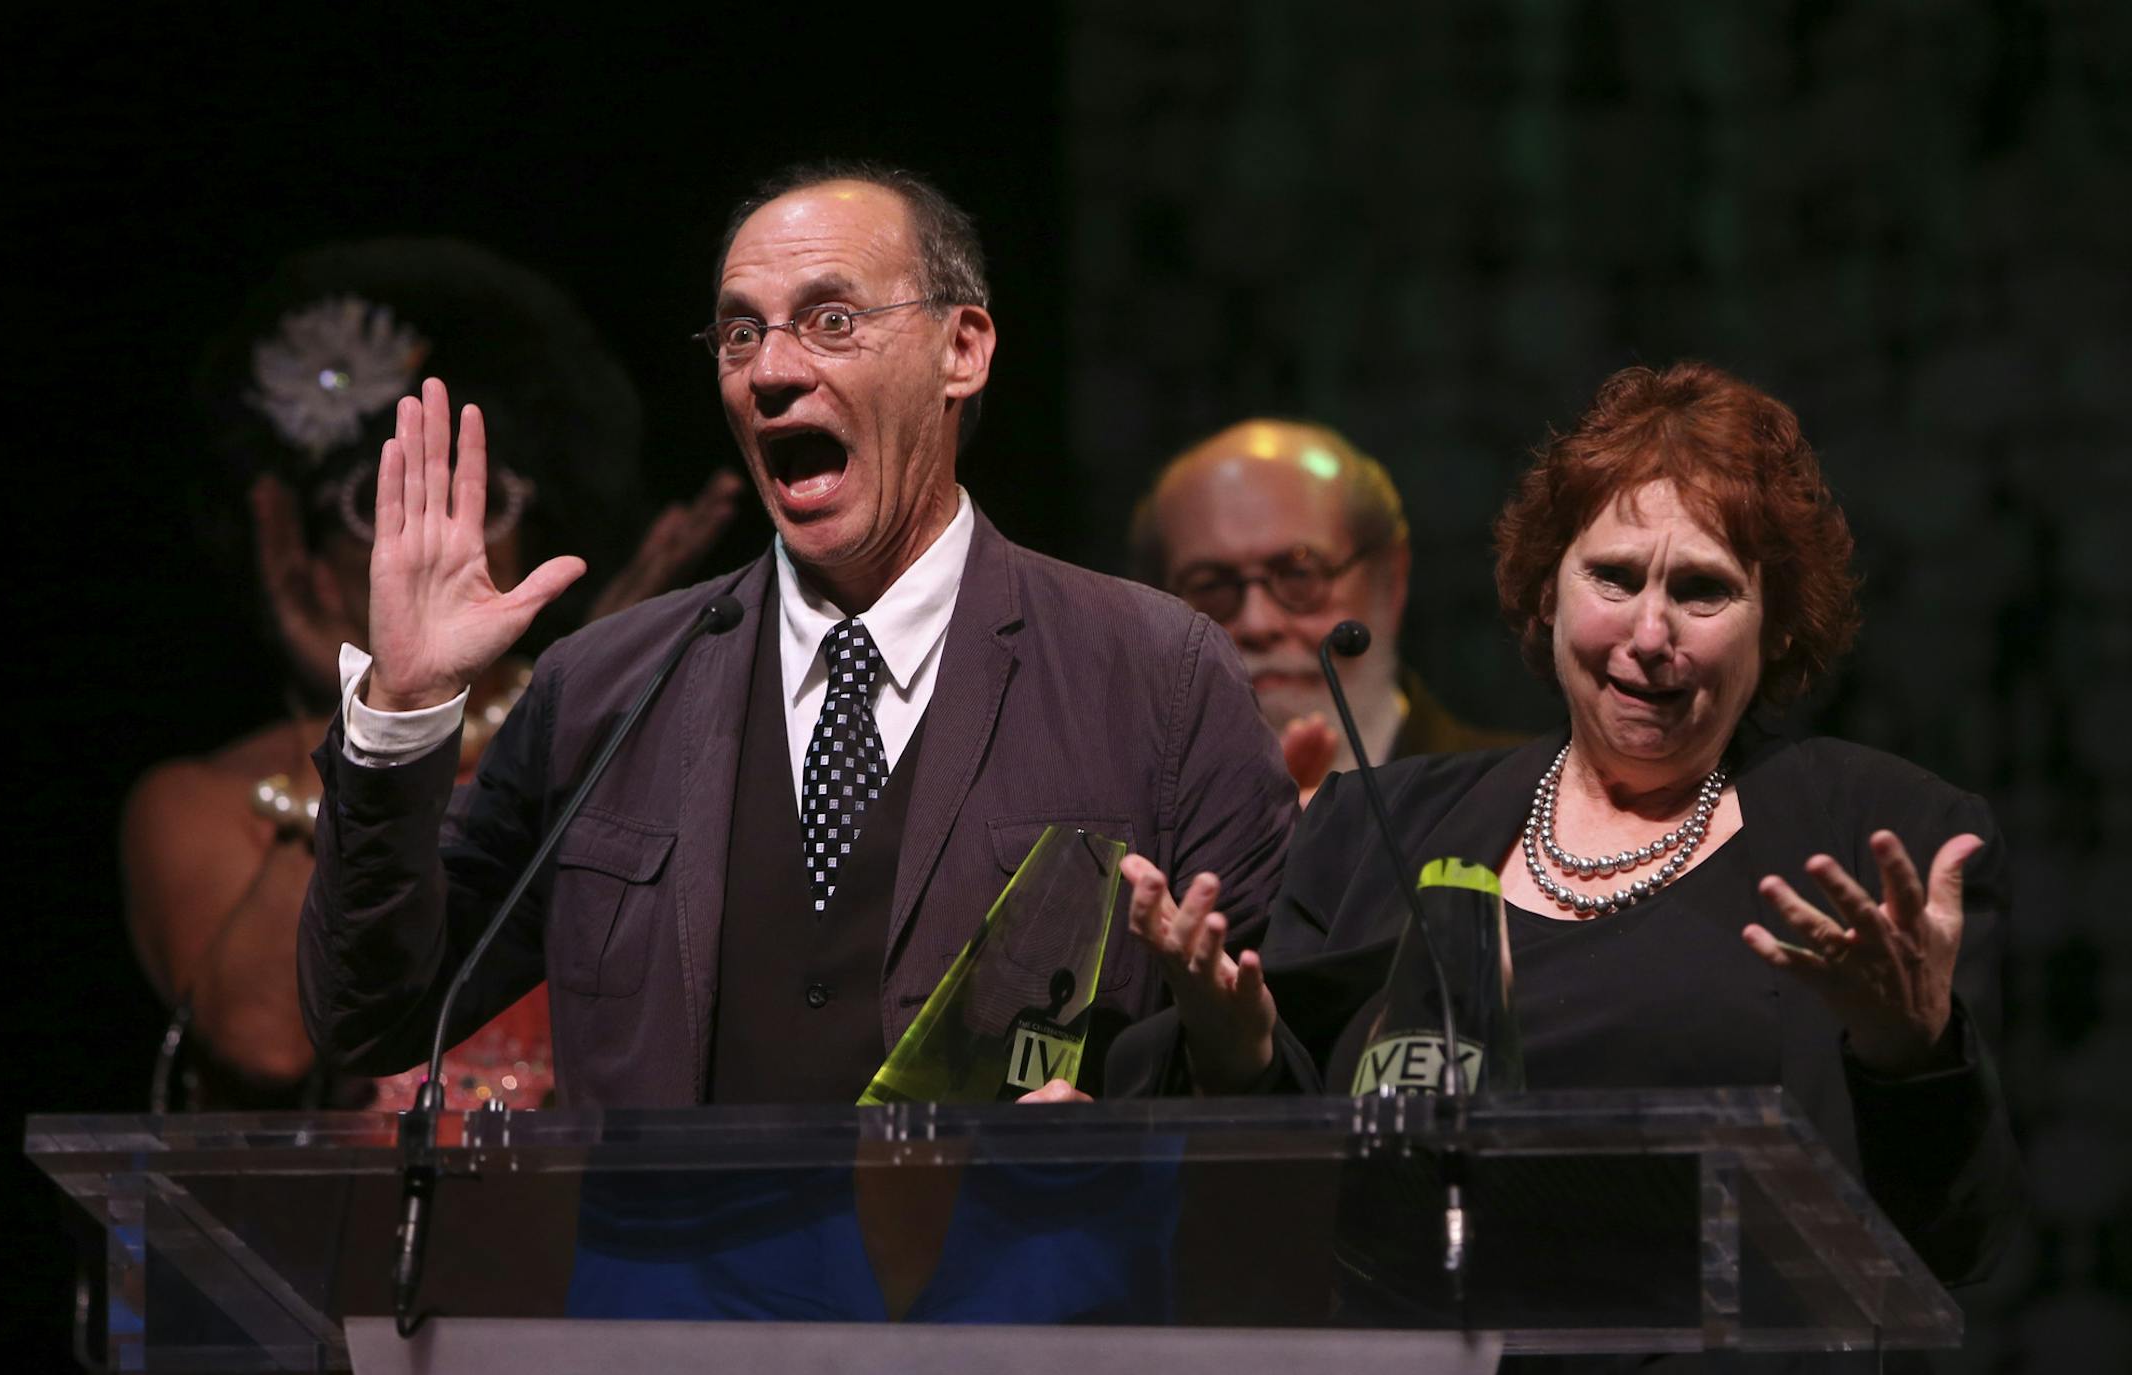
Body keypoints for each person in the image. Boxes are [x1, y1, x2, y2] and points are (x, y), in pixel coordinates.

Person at [297, 161, 1294, 1108]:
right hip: (663, 1242)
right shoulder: (604, 686)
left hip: (1013, 1240)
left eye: (832, 320)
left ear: (962, 349)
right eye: (740, 334)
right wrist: (402, 709)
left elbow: (1291, 1068)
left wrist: (1156, 1111)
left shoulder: (1153, 674)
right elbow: (369, 1015)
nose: (770, 370)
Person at [1112, 362, 2021, 1295]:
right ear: (1549, 592)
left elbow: (1955, 1244)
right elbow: (1278, 1215)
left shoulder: (1881, 839)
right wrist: (1237, 1051)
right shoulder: (1373, 830)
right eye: (1613, 577)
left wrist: (1910, 1055)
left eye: (1702, 590)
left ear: (1779, 626)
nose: (1649, 634)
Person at [122, 238, 739, 1110]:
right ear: (305, 557)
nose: (455, 534)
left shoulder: (611, 745)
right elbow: (266, 1041)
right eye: (387, 504)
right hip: (368, 1203)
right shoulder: (200, 800)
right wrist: (363, 724)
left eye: (486, 497)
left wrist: (595, 691)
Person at [1131, 420, 1520, 803]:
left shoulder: (1520, 799)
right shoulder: (1128, 816)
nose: (1257, 623)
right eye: (1211, 587)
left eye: (1299, 575)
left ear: (1391, 580)